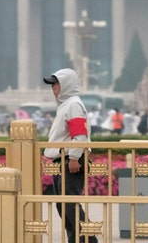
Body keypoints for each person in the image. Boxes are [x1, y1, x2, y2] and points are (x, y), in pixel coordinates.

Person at [42, 68, 98, 243]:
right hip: (62, 160)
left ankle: (89, 240)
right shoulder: (66, 105)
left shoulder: (73, 104)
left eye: (56, 84)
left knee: (70, 205)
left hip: (70, 160)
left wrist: (74, 157)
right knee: (64, 206)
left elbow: (79, 134)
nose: (53, 88)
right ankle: (77, 240)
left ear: (67, 85)